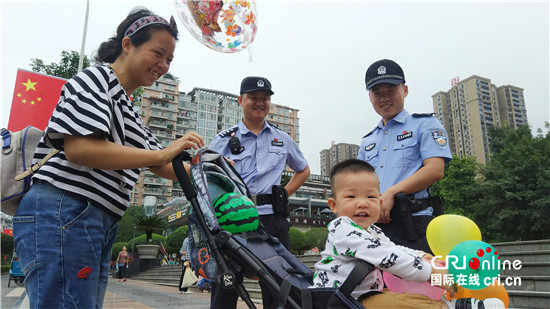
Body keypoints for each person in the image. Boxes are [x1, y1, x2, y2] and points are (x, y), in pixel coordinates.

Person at [12, 8, 204, 309]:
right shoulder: (97, 78)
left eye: (169, 59)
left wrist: (211, 172)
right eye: (158, 53)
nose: (163, 65)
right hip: (67, 211)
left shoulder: (127, 107)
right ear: (127, 45)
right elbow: (79, 148)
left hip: (90, 219)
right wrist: (164, 152)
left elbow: (161, 163)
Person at [311, 159, 504, 309]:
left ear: (379, 202)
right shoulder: (343, 229)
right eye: (351, 197)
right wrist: (432, 273)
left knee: (407, 298)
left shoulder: (372, 230)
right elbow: (388, 258)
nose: (362, 203)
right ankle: (450, 307)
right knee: (404, 305)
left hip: (362, 296)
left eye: (370, 197)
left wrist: (421, 255)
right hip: (340, 301)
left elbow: (393, 248)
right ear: (334, 205)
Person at [208, 76, 310, 309]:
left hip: (271, 219)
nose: (260, 102)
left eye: (265, 98)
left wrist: (283, 193)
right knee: (226, 284)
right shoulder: (223, 140)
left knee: (278, 288)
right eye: (253, 97)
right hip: (231, 222)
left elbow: (303, 170)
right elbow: (209, 181)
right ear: (240, 100)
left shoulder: (281, 138)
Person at [358, 59, 452, 253]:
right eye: (377, 93)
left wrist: (392, 192)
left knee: (421, 282)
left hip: (414, 224)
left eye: (391, 90)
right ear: (369, 97)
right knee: (377, 283)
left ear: (405, 90)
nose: (384, 98)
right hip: (375, 229)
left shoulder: (425, 125)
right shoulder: (368, 141)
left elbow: (435, 170)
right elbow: (359, 183)